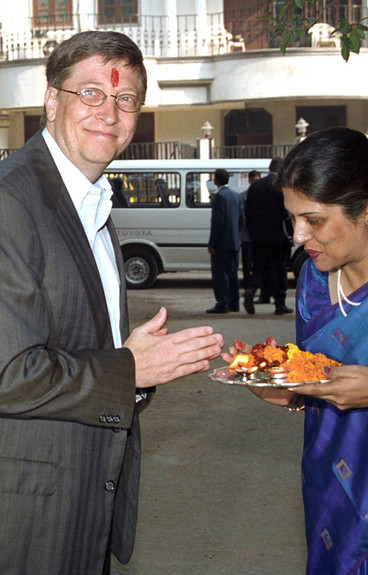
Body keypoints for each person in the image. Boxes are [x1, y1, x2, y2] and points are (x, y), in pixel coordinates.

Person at [0, 30, 224, 575]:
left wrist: (133, 370)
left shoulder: (90, 199)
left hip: (83, 494)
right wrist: (129, 368)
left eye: (125, 99)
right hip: (25, 513)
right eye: (92, 93)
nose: (110, 111)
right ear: (52, 100)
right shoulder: (11, 202)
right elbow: (9, 373)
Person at [224, 128, 368, 574]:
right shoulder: (313, 284)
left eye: (315, 220)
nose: (299, 236)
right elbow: (322, 384)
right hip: (333, 503)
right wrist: (288, 392)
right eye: (293, 220)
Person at [244, 158, 293, 315]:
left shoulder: (255, 186)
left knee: (259, 267)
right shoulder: (282, 186)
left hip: (258, 236)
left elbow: (248, 212)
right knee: (280, 270)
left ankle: (251, 290)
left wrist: (253, 231)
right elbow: (288, 212)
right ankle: (280, 304)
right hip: (279, 236)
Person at [207, 168, 243, 314]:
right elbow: (241, 219)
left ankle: (222, 303)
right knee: (233, 274)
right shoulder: (236, 196)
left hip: (222, 243)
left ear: (216, 180)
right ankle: (234, 303)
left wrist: (212, 243)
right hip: (234, 242)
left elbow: (217, 222)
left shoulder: (219, 197)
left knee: (220, 275)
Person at [240, 169, 261, 290]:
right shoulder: (243, 196)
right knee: (247, 264)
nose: (254, 183)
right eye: (252, 180)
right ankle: (248, 286)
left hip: (258, 237)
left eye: (256, 180)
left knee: (258, 263)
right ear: (249, 181)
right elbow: (242, 216)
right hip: (247, 236)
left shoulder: (261, 196)